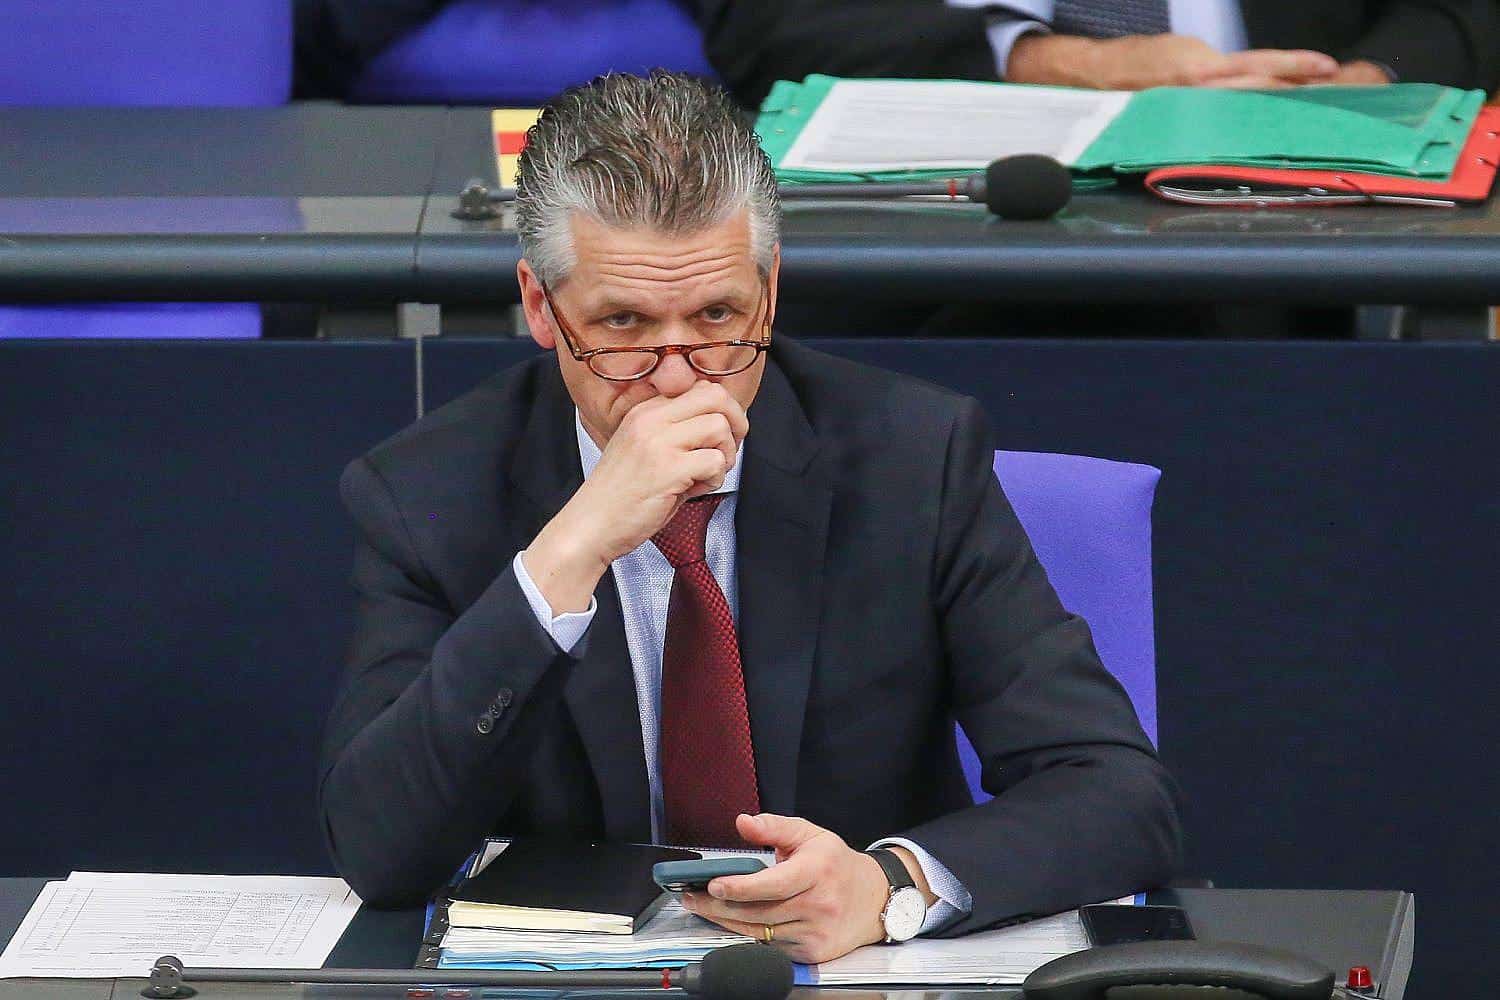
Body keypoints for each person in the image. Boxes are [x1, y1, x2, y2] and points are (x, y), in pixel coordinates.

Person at [318, 71, 1181, 962]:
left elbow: (1118, 792)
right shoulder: (427, 493)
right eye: (624, 324)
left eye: (717, 317)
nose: (678, 379)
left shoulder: (913, 458)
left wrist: (888, 886)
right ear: (541, 306)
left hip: (855, 970)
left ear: (769, 292)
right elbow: (380, 852)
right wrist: (566, 555)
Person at [690, 0, 1500, 107]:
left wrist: (1350, 89)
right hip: (929, 217)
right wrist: (1060, 63)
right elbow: (764, 26)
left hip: (1289, 226)